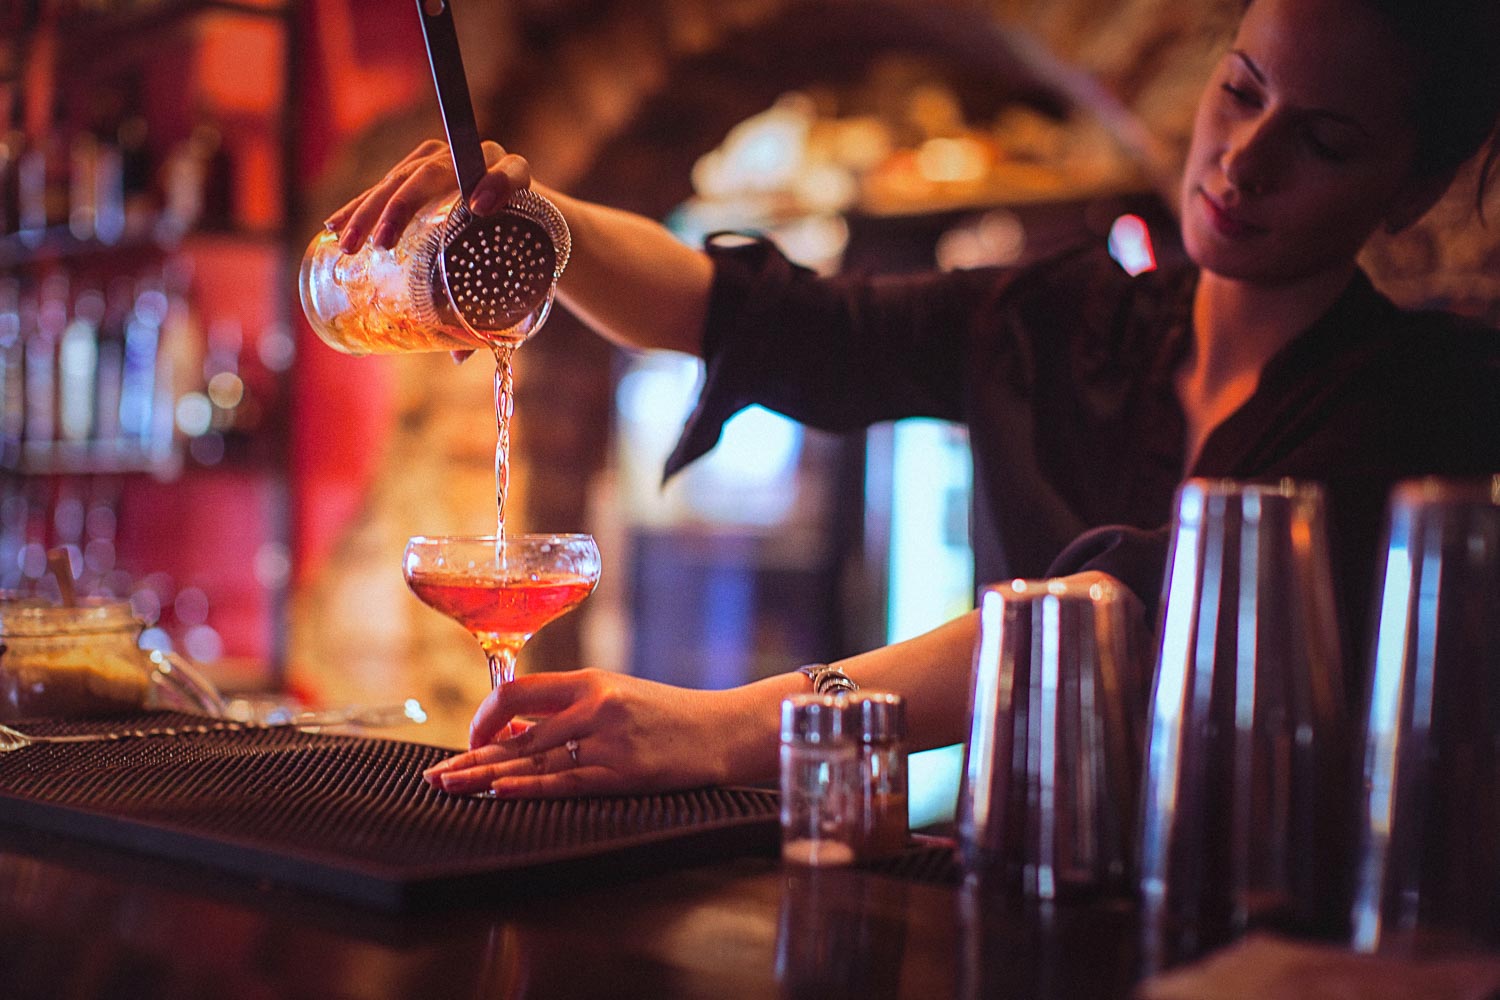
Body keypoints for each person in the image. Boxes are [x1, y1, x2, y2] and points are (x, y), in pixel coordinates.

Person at [324, 0, 1500, 798]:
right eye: (1240, 92)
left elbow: (1124, 616)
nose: (1246, 159)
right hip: (1015, 885)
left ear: (1414, 188)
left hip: (1273, 940)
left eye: (1325, 141)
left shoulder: (1431, 402)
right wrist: (541, 220)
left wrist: (724, 727)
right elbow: (752, 317)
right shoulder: (1066, 319)